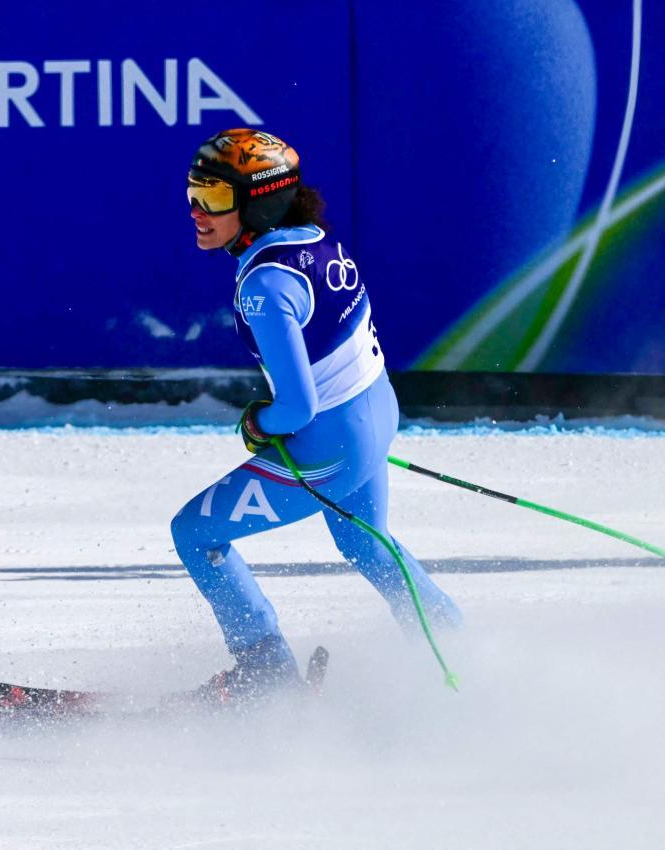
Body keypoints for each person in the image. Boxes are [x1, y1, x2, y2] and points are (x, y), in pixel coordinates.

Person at [173, 128, 462, 701]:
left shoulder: (263, 284)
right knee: (367, 545)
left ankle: (266, 671)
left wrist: (257, 424)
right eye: (193, 194)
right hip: (374, 417)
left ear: (257, 203)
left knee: (194, 533)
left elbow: (297, 406)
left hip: (330, 444)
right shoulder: (314, 240)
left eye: (214, 200)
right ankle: (456, 655)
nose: (197, 213)